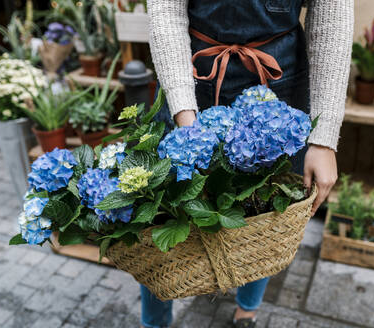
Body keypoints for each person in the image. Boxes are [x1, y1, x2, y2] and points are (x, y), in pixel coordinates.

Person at [142, 0, 354, 327]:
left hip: (277, 83)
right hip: (190, 75)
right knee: (159, 213)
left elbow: (332, 24)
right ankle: (155, 322)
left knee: (266, 212)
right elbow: (166, 10)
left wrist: (323, 139)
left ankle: (248, 309)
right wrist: (187, 124)